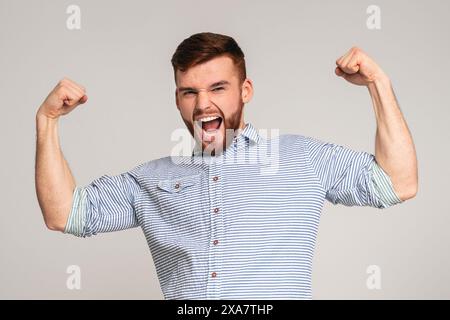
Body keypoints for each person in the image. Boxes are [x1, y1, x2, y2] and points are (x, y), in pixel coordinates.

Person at [35, 32, 418, 299]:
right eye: (190, 92)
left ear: (244, 91)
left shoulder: (303, 158)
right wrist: (47, 122)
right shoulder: (150, 179)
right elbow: (64, 213)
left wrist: (378, 84)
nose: (203, 105)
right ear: (178, 100)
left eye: (218, 88)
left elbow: (397, 183)